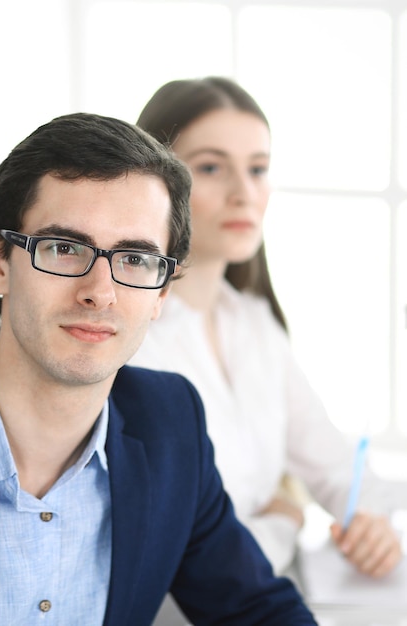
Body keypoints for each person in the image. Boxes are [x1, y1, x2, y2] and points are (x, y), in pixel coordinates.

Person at [0, 112, 316, 625]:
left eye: (135, 258)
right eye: (64, 249)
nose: (99, 291)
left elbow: (254, 609)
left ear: (162, 290)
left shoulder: (170, 425)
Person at [130, 77, 404, 578]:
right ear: (155, 182)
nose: (245, 193)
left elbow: (340, 468)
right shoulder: (128, 344)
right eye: (211, 167)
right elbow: (192, 560)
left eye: (258, 169)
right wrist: (286, 519)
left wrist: (369, 519)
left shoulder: (252, 323)